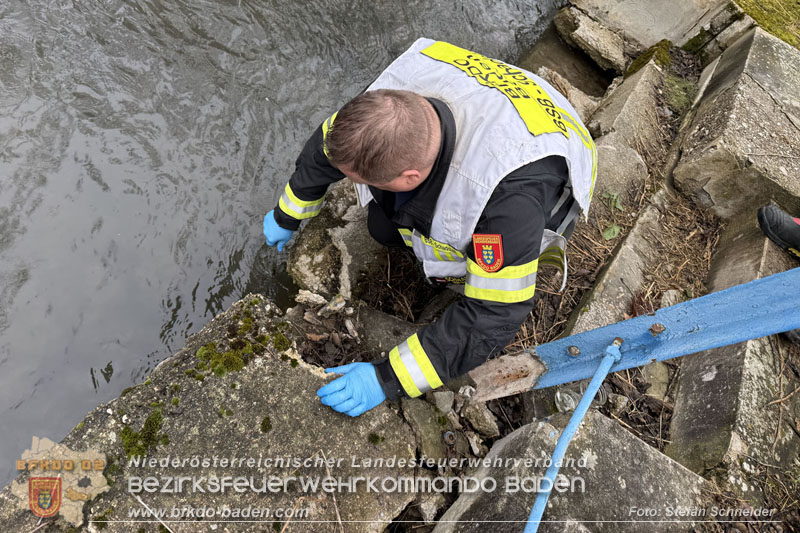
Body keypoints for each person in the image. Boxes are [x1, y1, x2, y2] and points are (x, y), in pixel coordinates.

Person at [263, 38, 597, 417]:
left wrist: (387, 378)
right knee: (381, 227)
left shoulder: (506, 203)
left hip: (548, 156)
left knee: (475, 272)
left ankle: (455, 271)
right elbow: (326, 148)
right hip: (500, 99)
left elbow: (494, 315)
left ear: (410, 176)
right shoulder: (387, 102)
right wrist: (286, 213)